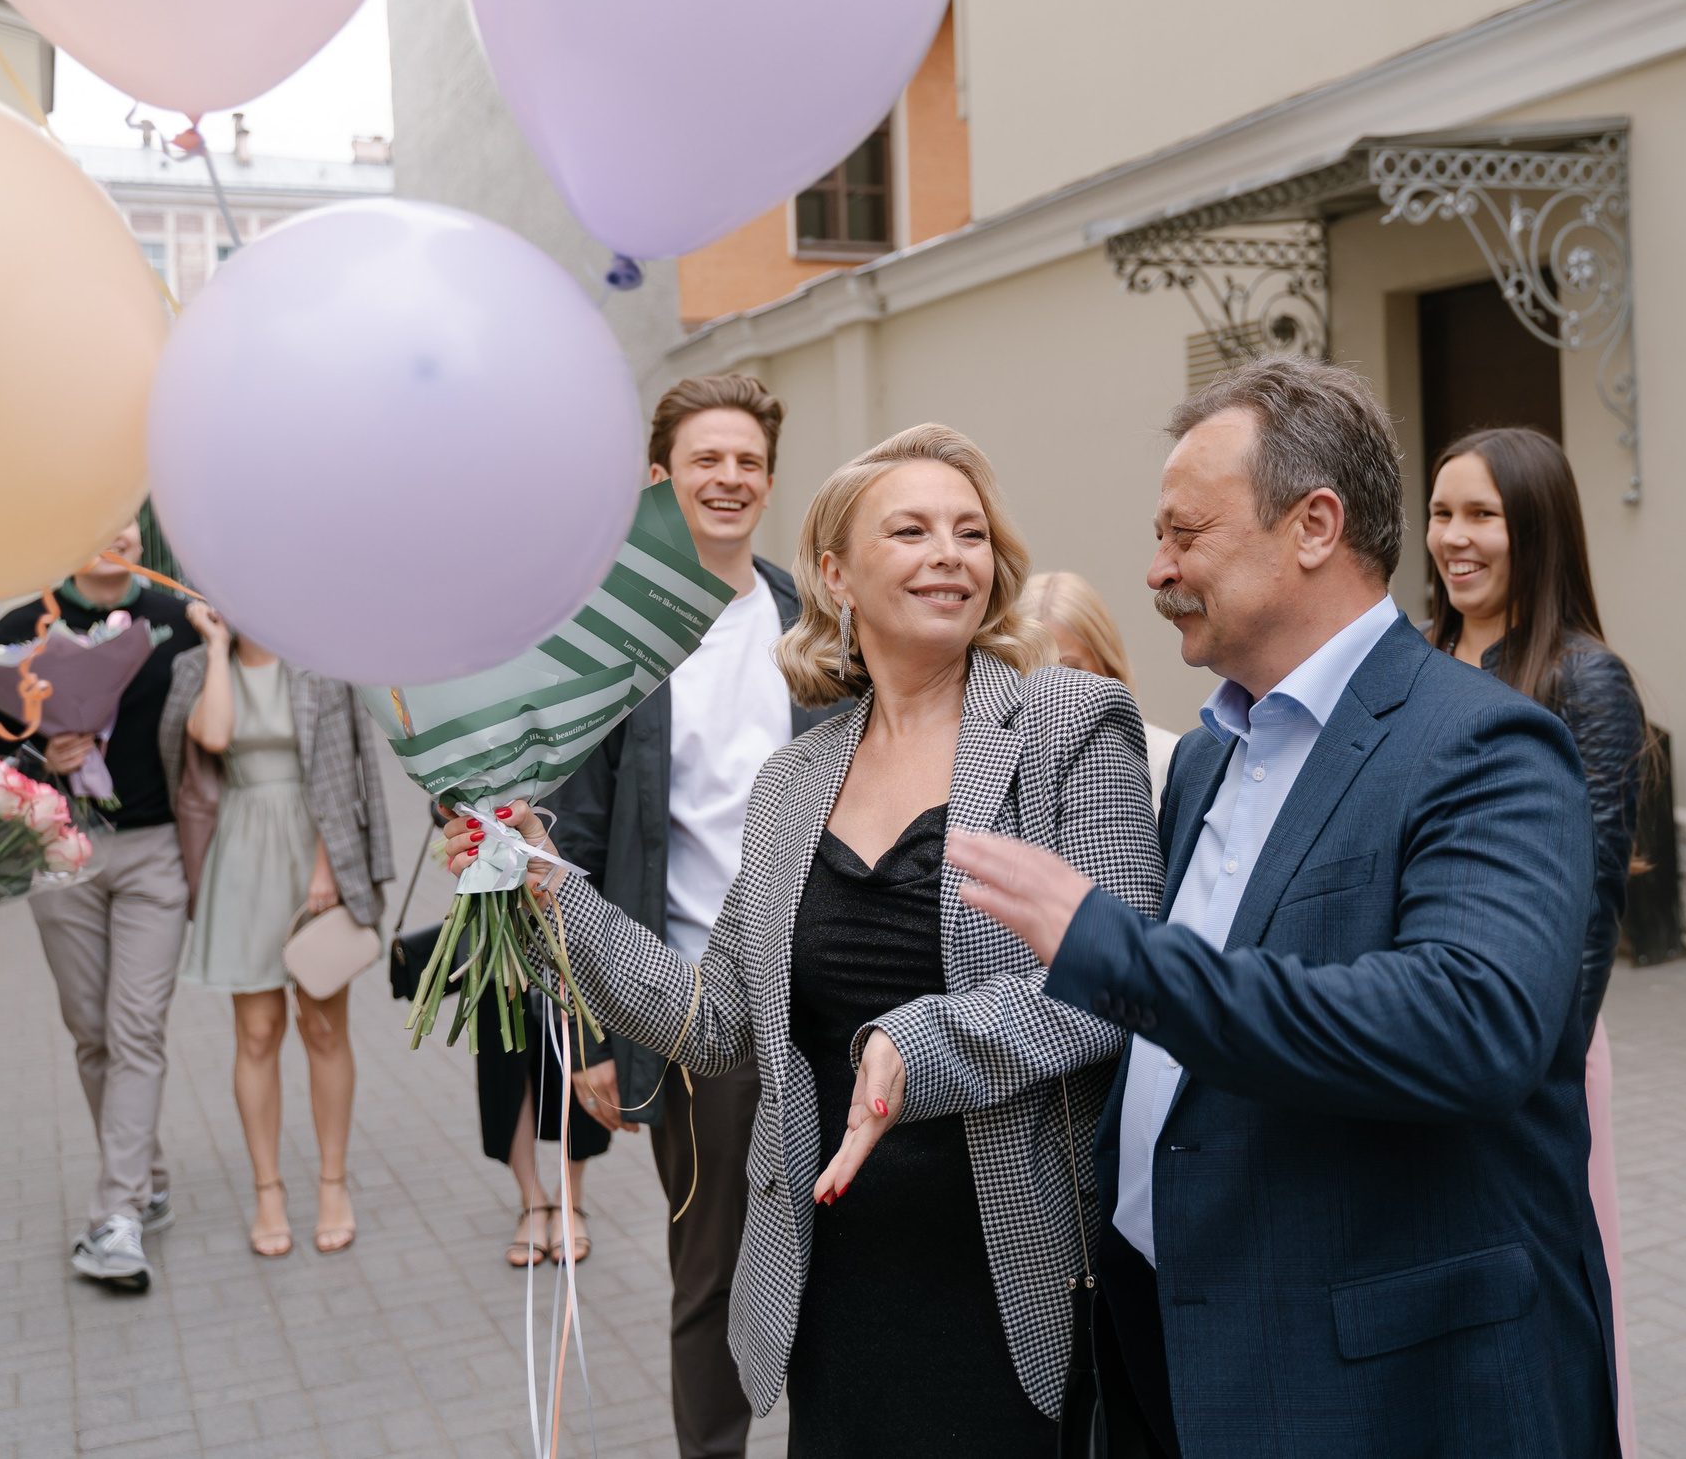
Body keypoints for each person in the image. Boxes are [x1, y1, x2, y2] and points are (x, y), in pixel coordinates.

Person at [448, 424, 1163, 1458]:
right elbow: (721, 1021)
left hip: (1014, 1272)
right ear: (834, 574)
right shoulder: (794, 778)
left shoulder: (1070, 723)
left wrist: (919, 1047)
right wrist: (550, 886)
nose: (949, 554)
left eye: (970, 533)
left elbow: (1118, 969)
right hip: (835, 1273)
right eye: (910, 530)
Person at [952, 359, 1615, 1459]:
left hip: (1384, 1377)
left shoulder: (1483, 744)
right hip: (1184, 1343)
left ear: (1314, 525)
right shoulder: (1212, 754)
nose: (1157, 569)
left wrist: (1109, 948)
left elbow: (1471, 1024)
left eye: (1186, 533)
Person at [543, 374, 841, 1456]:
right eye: (705, 460)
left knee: (845, 1262)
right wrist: (587, 1028)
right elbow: (568, 844)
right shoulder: (616, 639)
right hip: (698, 1007)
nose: (730, 479)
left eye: (748, 461)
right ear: (659, 478)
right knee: (712, 1271)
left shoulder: (817, 621)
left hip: (833, 994)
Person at [1426, 426, 1646, 1456]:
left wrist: (1530, 1073)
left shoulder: (1582, 680)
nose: (1453, 539)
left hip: (1532, 1049)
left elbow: (1589, 909)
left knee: (1538, 1282)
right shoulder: (1419, 657)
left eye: (1482, 516)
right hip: (1428, 1029)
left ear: (1537, 528)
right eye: (1440, 514)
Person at [0, 525, 201, 1291]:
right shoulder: (18, 628)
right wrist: (43, 755)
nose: (110, 530)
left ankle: (115, 1216)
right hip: (59, 854)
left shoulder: (177, 621)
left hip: (155, 851)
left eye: (122, 513)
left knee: (135, 1025)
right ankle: (146, 1174)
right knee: (92, 1029)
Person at [159, 607, 396, 1259]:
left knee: (323, 1024)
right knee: (257, 1031)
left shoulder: (322, 665)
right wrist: (213, 648)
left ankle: (331, 1182)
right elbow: (212, 736)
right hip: (240, 855)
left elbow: (349, 767)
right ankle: (268, 1191)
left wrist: (327, 866)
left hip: (312, 850)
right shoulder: (195, 666)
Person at [1019, 570, 1181, 810]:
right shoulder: (983, 766)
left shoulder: (1166, 763)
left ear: (1109, 670)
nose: (1046, 688)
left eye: (1066, 670)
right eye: (1026, 672)